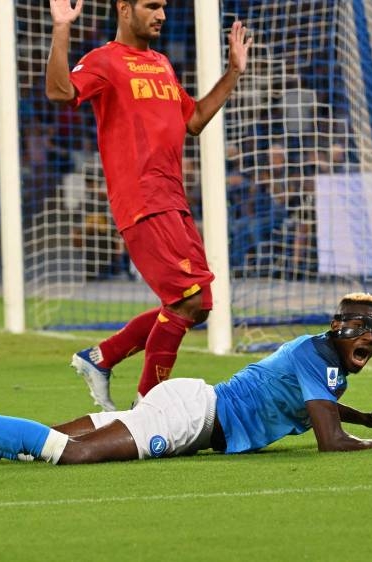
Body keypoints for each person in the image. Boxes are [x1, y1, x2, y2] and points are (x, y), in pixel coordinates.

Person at [0, 293, 372, 469]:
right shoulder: (317, 357)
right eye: (366, 330)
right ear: (343, 330)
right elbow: (328, 443)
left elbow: (317, 409)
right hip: (192, 417)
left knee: (32, 449)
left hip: (193, 404)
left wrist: (367, 417)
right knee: (69, 456)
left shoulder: (326, 364)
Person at [45, 0, 252, 411]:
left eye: (163, 7)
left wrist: (233, 73)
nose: (161, 15)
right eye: (152, 6)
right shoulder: (104, 60)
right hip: (142, 200)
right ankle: (149, 407)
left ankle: (101, 358)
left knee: (198, 305)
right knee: (189, 300)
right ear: (124, 9)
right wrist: (62, 27)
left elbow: (192, 120)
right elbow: (58, 91)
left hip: (172, 198)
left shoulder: (160, 63)